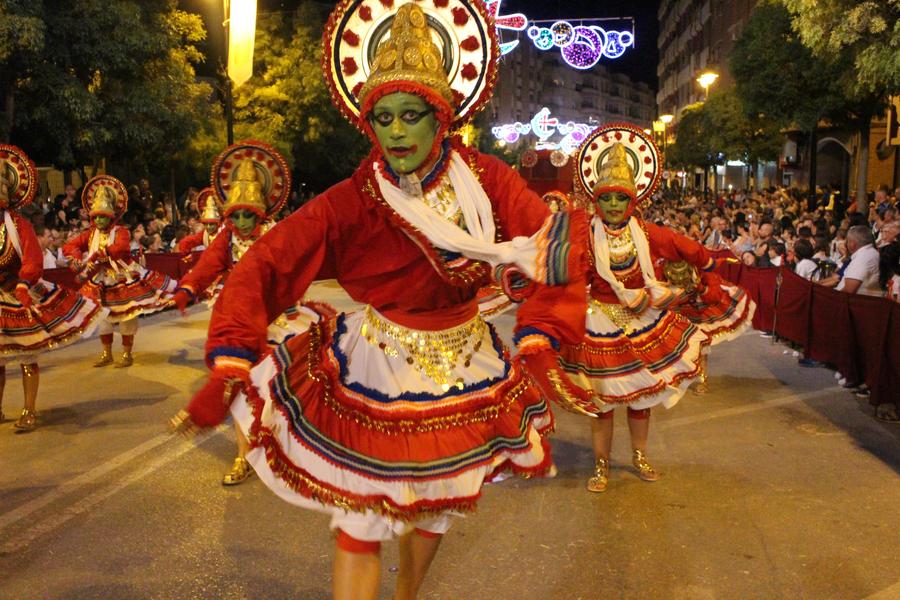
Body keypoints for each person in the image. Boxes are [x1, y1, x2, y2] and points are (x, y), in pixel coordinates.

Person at [169, 4, 591, 599]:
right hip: (377, 364)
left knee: (433, 508)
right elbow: (269, 261)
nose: (395, 132)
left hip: (464, 362)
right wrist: (232, 352)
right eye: (382, 118)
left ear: (440, 118)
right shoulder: (354, 199)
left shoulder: (488, 179)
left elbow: (555, 250)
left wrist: (544, 333)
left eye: (409, 116)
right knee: (361, 519)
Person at [171, 140, 335, 486]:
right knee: (239, 387)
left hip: (278, 320)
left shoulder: (276, 234)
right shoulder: (226, 240)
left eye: (249, 214)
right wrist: (188, 287)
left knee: (284, 387)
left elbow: (295, 268)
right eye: (236, 215)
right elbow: (207, 266)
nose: (242, 221)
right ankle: (242, 455)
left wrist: (290, 297)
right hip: (240, 321)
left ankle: (292, 446)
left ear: (261, 213)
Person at [559, 126, 710, 493]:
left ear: (632, 202)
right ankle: (601, 464)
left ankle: (640, 457)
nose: (613, 205)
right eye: (606, 197)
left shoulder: (645, 232)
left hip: (641, 320)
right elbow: (562, 265)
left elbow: (683, 245)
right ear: (597, 200)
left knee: (641, 402)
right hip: (600, 325)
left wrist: (709, 266)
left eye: (620, 199)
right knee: (603, 404)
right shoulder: (583, 232)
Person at [0, 145, 105, 431]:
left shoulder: (19, 226)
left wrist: (23, 284)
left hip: (17, 292)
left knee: (25, 354)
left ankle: (28, 410)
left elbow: (33, 260)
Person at [62, 175, 176, 367]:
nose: (98, 220)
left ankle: (126, 354)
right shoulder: (90, 234)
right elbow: (70, 245)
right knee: (103, 317)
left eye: (102, 216)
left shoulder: (121, 231)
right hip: (100, 281)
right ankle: (106, 353)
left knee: (126, 316)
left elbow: (121, 248)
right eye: (95, 216)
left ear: (111, 216)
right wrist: (74, 257)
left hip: (122, 277)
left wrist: (101, 253)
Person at [175, 188, 221, 252]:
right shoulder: (205, 234)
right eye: (205, 224)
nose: (208, 227)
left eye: (211, 224)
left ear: (218, 223)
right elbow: (189, 242)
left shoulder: (224, 231)